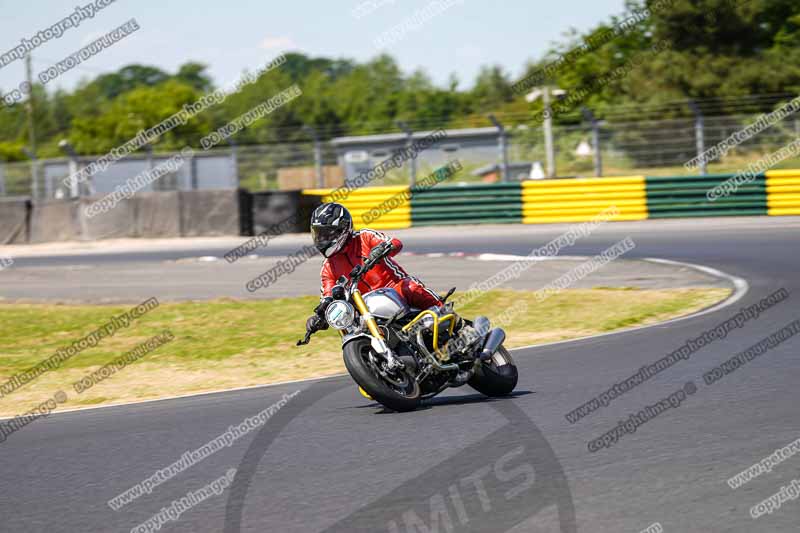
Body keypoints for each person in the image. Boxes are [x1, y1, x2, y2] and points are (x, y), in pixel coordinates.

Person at [305, 202, 442, 333]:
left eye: (325, 234)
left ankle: (445, 313)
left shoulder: (364, 237)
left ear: (342, 229)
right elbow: (327, 297)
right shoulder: (328, 267)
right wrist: (319, 317)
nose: (321, 239)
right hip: (365, 307)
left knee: (411, 288)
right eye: (318, 234)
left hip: (394, 288)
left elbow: (395, 243)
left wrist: (381, 249)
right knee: (350, 324)